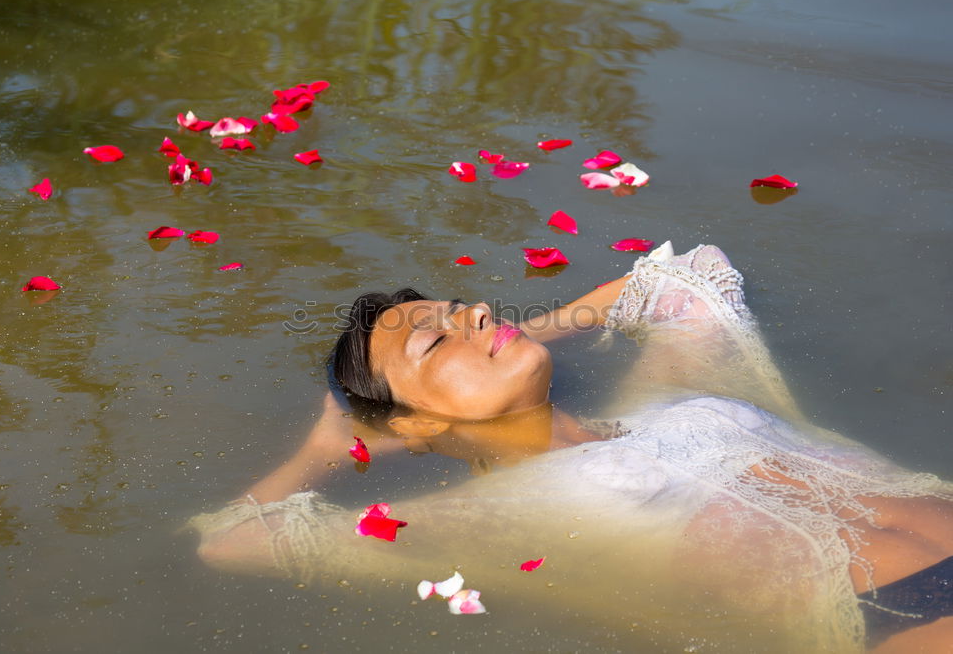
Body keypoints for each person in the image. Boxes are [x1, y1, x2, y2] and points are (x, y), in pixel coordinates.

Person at [191, 243, 953, 653]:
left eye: (466, 309)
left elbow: (690, 278)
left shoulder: (655, 396)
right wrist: (329, 445)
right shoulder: (497, 512)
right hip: (894, 620)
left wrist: (530, 333)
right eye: (437, 339)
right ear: (412, 424)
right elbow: (232, 541)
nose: (479, 314)